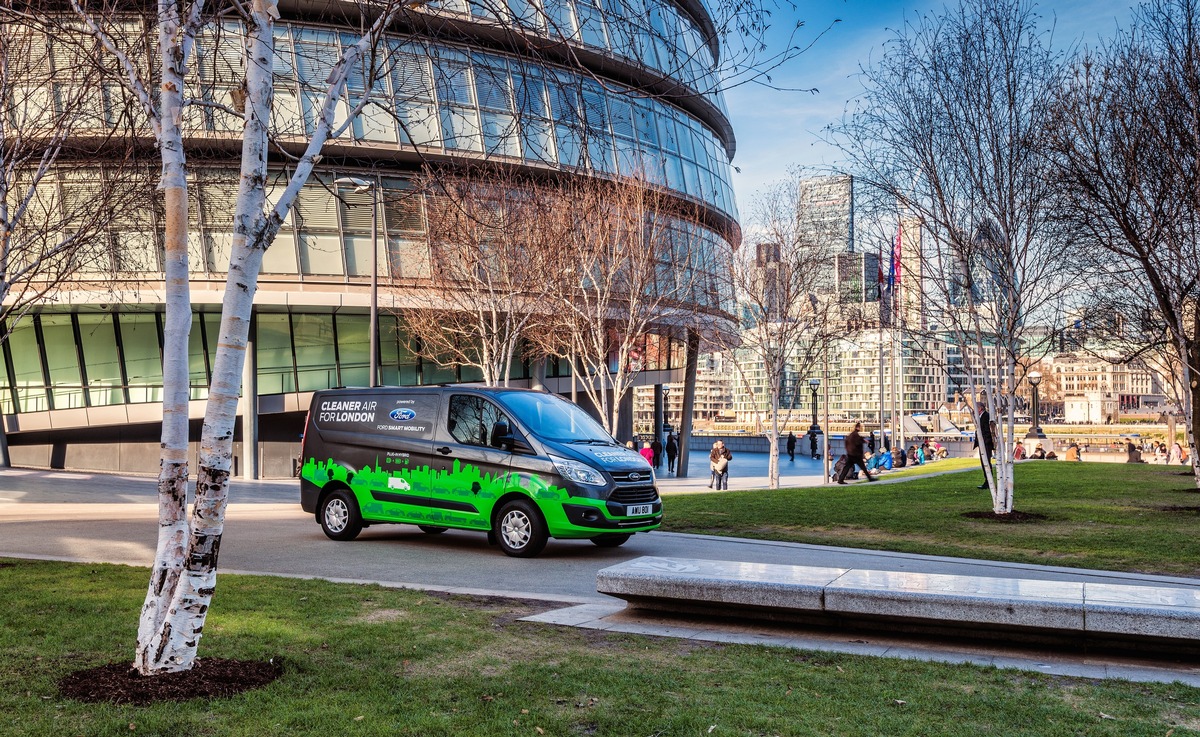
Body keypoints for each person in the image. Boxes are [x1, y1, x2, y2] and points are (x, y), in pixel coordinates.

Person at [973, 403, 995, 489]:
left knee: (986, 462)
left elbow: (987, 430)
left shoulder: (986, 416)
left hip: (985, 443)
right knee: (984, 462)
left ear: (980, 408)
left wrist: (984, 441)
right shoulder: (982, 416)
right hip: (983, 443)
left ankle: (988, 482)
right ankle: (987, 481)